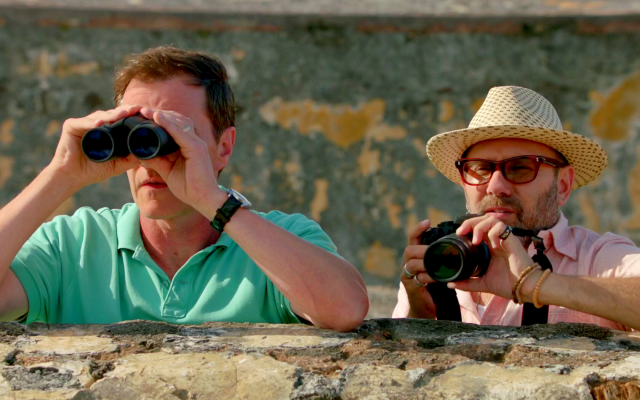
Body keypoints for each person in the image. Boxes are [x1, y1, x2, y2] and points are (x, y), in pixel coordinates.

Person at [0, 46, 368, 332]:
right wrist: (61, 175)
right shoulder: (73, 245)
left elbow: (345, 310)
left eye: (175, 135)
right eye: (134, 135)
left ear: (224, 147)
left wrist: (212, 201)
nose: (151, 160)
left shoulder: (282, 239)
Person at [393, 85, 640, 331]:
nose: (495, 187)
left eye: (521, 168)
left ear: (563, 185)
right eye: (481, 169)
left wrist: (535, 284)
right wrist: (421, 316)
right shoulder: (443, 260)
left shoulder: (598, 259)